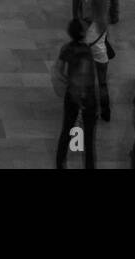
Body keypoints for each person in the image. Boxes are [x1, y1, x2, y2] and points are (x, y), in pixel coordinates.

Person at [54, 18, 99, 170]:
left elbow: (59, 70)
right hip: (88, 97)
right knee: (89, 138)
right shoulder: (87, 50)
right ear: (81, 32)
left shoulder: (66, 48)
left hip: (71, 94)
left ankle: (60, 163)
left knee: (66, 129)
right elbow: (89, 75)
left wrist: (68, 82)